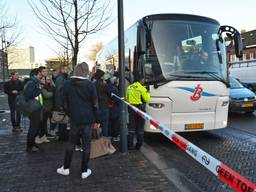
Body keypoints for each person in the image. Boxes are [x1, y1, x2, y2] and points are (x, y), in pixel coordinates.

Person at [57, 62, 100, 179]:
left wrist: (69, 113)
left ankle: (65, 168)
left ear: (76, 70)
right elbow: (95, 104)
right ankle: (84, 171)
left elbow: (63, 102)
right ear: (86, 71)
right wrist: (97, 119)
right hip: (88, 119)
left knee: (71, 143)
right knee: (86, 145)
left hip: (74, 118)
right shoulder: (90, 85)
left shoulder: (67, 84)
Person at [126, 75, 150, 150]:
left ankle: (129, 145)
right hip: (140, 109)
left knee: (131, 128)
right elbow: (147, 100)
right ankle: (138, 145)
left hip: (131, 108)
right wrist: (148, 92)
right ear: (140, 80)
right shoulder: (141, 88)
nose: (144, 81)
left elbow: (126, 98)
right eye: (143, 80)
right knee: (140, 128)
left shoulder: (129, 87)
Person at [24, 68, 43, 152]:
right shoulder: (32, 82)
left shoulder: (34, 82)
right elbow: (28, 94)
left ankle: (32, 144)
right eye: (40, 74)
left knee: (36, 127)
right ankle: (29, 146)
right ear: (36, 74)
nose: (41, 75)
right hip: (33, 108)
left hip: (36, 107)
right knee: (33, 127)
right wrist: (39, 90)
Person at [94, 69, 111, 137]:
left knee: (96, 124)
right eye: (103, 75)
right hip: (104, 106)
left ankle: (96, 138)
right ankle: (104, 139)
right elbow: (110, 93)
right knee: (105, 124)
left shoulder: (93, 84)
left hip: (96, 107)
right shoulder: (104, 85)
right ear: (101, 77)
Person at [54, 65, 69, 141]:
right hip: (61, 103)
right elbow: (59, 92)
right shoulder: (61, 79)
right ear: (62, 70)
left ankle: (62, 135)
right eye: (66, 69)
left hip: (62, 102)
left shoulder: (63, 78)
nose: (67, 71)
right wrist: (61, 105)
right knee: (62, 120)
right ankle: (62, 136)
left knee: (63, 121)